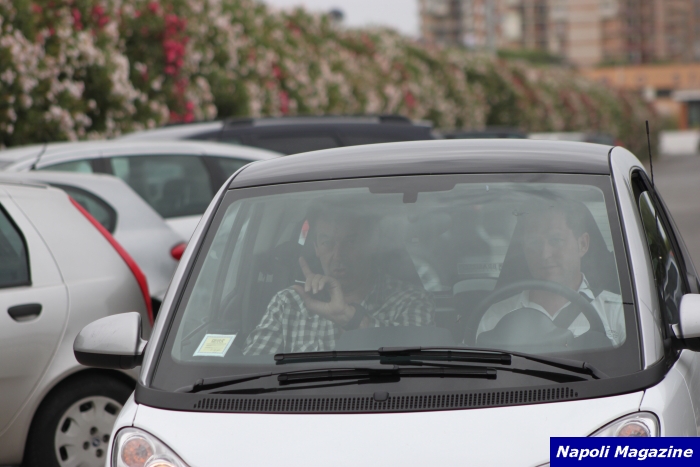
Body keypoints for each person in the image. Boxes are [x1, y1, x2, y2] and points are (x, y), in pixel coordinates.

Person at [243, 202, 435, 355]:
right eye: (327, 243)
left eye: (350, 242)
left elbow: (418, 366)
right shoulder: (289, 304)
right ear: (316, 248)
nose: (338, 255)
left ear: (372, 243)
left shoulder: (410, 300)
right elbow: (252, 375)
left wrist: (350, 318)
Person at [476, 200, 625, 346]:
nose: (544, 254)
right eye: (534, 243)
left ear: (582, 244)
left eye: (556, 240)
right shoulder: (495, 318)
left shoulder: (618, 314)